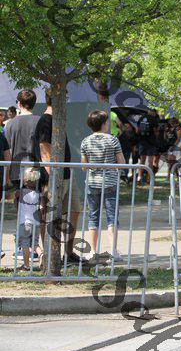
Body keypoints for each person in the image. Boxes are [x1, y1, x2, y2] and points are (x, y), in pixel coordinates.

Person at [32, 88, 82, 266]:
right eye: (65, 96)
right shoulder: (45, 121)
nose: (66, 100)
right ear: (55, 98)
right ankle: (49, 254)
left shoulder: (57, 119)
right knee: (50, 215)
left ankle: (68, 253)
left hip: (67, 174)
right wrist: (53, 179)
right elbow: (45, 153)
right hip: (54, 177)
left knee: (74, 211)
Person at [80, 111, 125, 262]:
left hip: (92, 182)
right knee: (112, 217)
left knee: (93, 216)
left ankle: (93, 251)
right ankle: (113, 251)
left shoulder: (85, 141)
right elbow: (121, 162)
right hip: (110, 181)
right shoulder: (113, 140)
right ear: (105, 123)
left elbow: (84, 166)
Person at [4, 90, 40, 188]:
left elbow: (8, 151)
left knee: (18, 196)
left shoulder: (10, 124)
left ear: (19, 103)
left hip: (16, 173)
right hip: (36, 172)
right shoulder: (40, 121)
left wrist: (7, 176)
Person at [15, 168, 41, 270]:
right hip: (36, 223)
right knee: (35, 244)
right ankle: (41, 255)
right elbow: (42, 208)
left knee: (24, 244)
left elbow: (14, 202)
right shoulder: (39, 194)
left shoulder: (20, 192)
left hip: (24, 223)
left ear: (25, 180)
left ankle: (26, 265)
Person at [136, 109, 159, 183]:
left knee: (142, 160)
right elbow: (156, 131)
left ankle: (139, 177)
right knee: (150, 161)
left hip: (142, 142)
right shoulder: (153, 119)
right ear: (153, 112)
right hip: (151, 142)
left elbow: (137, 130)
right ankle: (149, 179)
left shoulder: (141, 118)